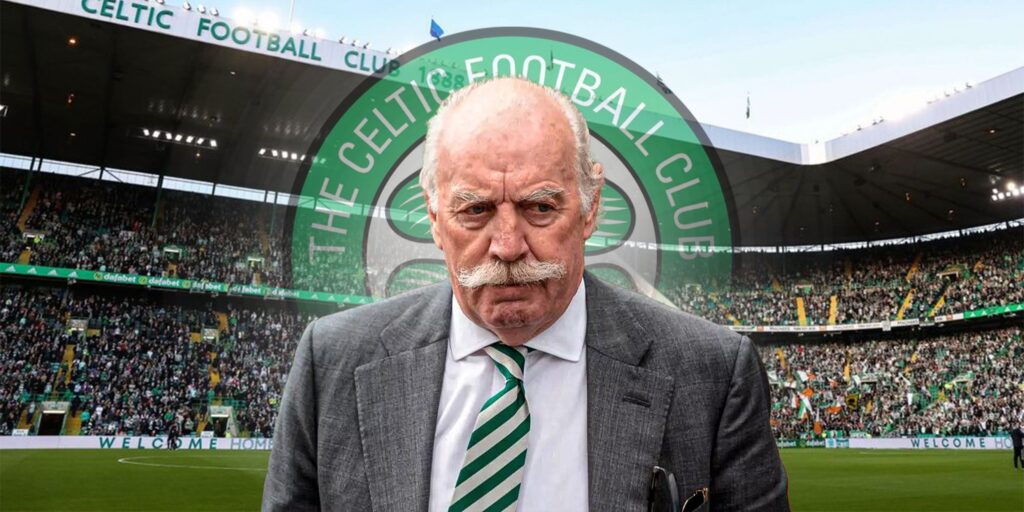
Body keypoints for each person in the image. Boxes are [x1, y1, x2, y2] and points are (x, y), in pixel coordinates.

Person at [263, 77, 789, 511]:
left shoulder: (714, 374)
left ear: (589, 209)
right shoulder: (329, 363)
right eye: (475, 210)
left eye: (540, 207)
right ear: (433, 217)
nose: (509, 246)